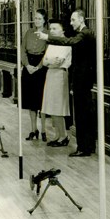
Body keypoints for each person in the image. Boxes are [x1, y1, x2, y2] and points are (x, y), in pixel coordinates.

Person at [37, 9, 95, 157]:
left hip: (83, 80)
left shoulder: (85, 33)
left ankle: (84, 147)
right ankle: (86, 146)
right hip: (80, 79)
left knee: (82, 114)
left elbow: (70, 42)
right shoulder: (82, 34)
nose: (71, 23)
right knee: (82, 114)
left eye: (73, 20)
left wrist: (47, 37)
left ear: (81, 19)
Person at [40, 19, 72, 148]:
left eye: (54, 29)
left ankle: (64, 136)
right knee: (51, 107)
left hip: (59, 75)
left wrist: (50, 61)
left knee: (58, 107)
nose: (51, 31)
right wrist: (50, 61)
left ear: (62, 30)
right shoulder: (52, 44)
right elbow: (45, 62)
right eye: (50, 29)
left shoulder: (66, 44)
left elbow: (58, 62)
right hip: (51, 74)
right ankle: (58, 135)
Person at [21, 9, 49, 141]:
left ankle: (43, 129)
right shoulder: (28, 32)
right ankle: (33, 129)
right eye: (35, 18)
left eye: (39, 18)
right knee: (30, 100)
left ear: (44, 20)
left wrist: (38, 67)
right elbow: (23, 50)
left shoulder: (48, 34)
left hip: (41, 68)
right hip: (28, 67)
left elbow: (47, 53)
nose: (36, 20)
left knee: (41, 100)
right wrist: (27, 65)